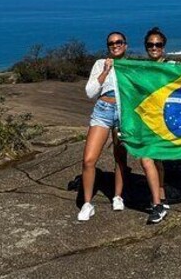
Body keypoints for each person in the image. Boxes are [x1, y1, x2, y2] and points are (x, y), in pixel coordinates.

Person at [77, 32, 130, 222]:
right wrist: (105, 71)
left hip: (124, 112)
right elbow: (90, 92)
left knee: (120, 156)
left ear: (125, 45)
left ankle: (117, 196)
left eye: (119, 42)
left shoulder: (132, 66)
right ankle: (87, 203)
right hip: (103, 110)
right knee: (89, 160)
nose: (115, 45)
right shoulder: (100, 64)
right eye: (111, 43)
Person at [140, 27, 170, 224]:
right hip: (148, 121)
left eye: (158, 44)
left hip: (166, 122)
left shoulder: (172, 66)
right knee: (150, 160)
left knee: (151, 160)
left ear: (164, 47)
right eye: (150, 45)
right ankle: (160, 201)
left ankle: (159, 201)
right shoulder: (141, 69)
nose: (154, 48)